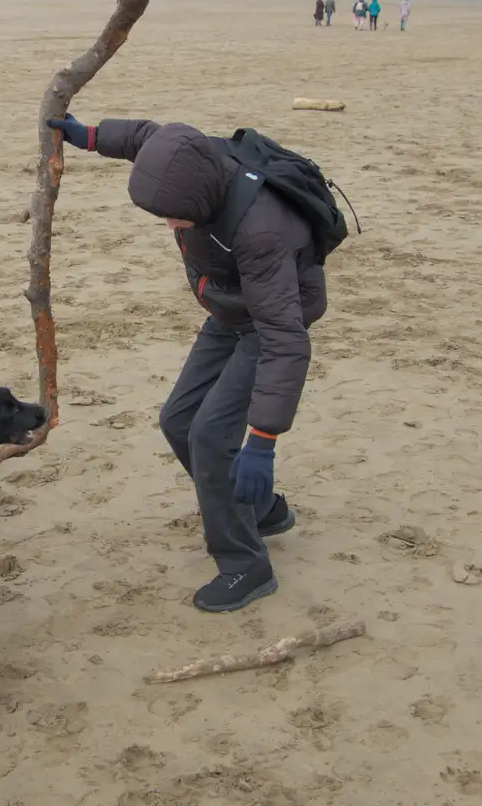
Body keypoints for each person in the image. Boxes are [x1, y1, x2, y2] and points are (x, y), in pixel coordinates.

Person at [45, 114, 328, 613]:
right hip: (230, 304)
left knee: (211, 436)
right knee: (177, 420)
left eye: (176, 217)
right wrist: (86, 136)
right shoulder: (187, 151)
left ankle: (246, 564)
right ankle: (263, 511)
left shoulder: (261, 232)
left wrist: (262, 440)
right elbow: (142, 139)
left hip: (270, 322)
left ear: (201, 200)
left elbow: (285, 340)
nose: (171, 225)